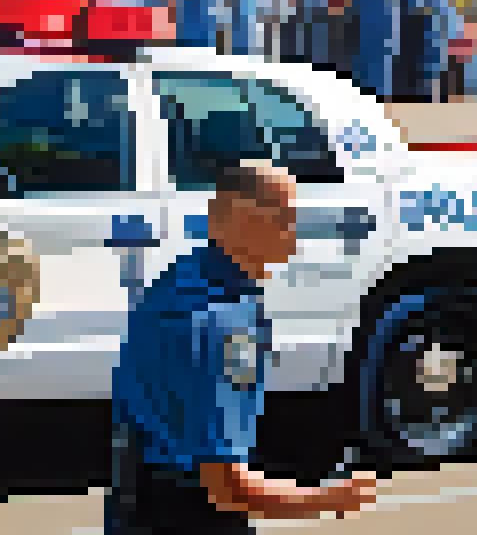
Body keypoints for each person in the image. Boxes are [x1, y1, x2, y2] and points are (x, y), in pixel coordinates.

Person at [107, 161, 375, 532]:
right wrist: (329, 498)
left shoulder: (179, 281)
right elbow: (226, 488)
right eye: (287, 219)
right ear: (247, 221)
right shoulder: (225, 322)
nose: (295, 236)